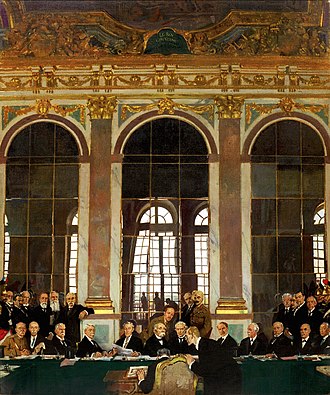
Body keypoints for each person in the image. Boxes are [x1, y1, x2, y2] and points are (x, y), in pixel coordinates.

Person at [185, 326, 241, 395]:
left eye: (186, 336)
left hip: (228, 379)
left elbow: (205, 370)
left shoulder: (204, 345)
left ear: (192, 335)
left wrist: (192, 363)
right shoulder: (204, 343)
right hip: (225, 377)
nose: (186, 339)